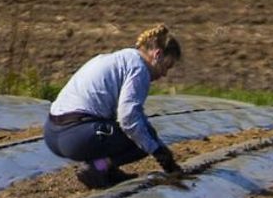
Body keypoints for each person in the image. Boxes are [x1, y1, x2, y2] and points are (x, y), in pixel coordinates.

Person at [44, 24, 183, 189]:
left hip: (53, 133)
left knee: (144, 134)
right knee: (143, 139)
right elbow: (128, 118)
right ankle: (100, 167)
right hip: (76, 136)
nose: (164, 74)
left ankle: (108, 170)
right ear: (157, 55)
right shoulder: (139, 70)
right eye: (166, 67)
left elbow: (132, 113)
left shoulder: (121, 58)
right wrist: (159, 152)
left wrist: (159, 146)